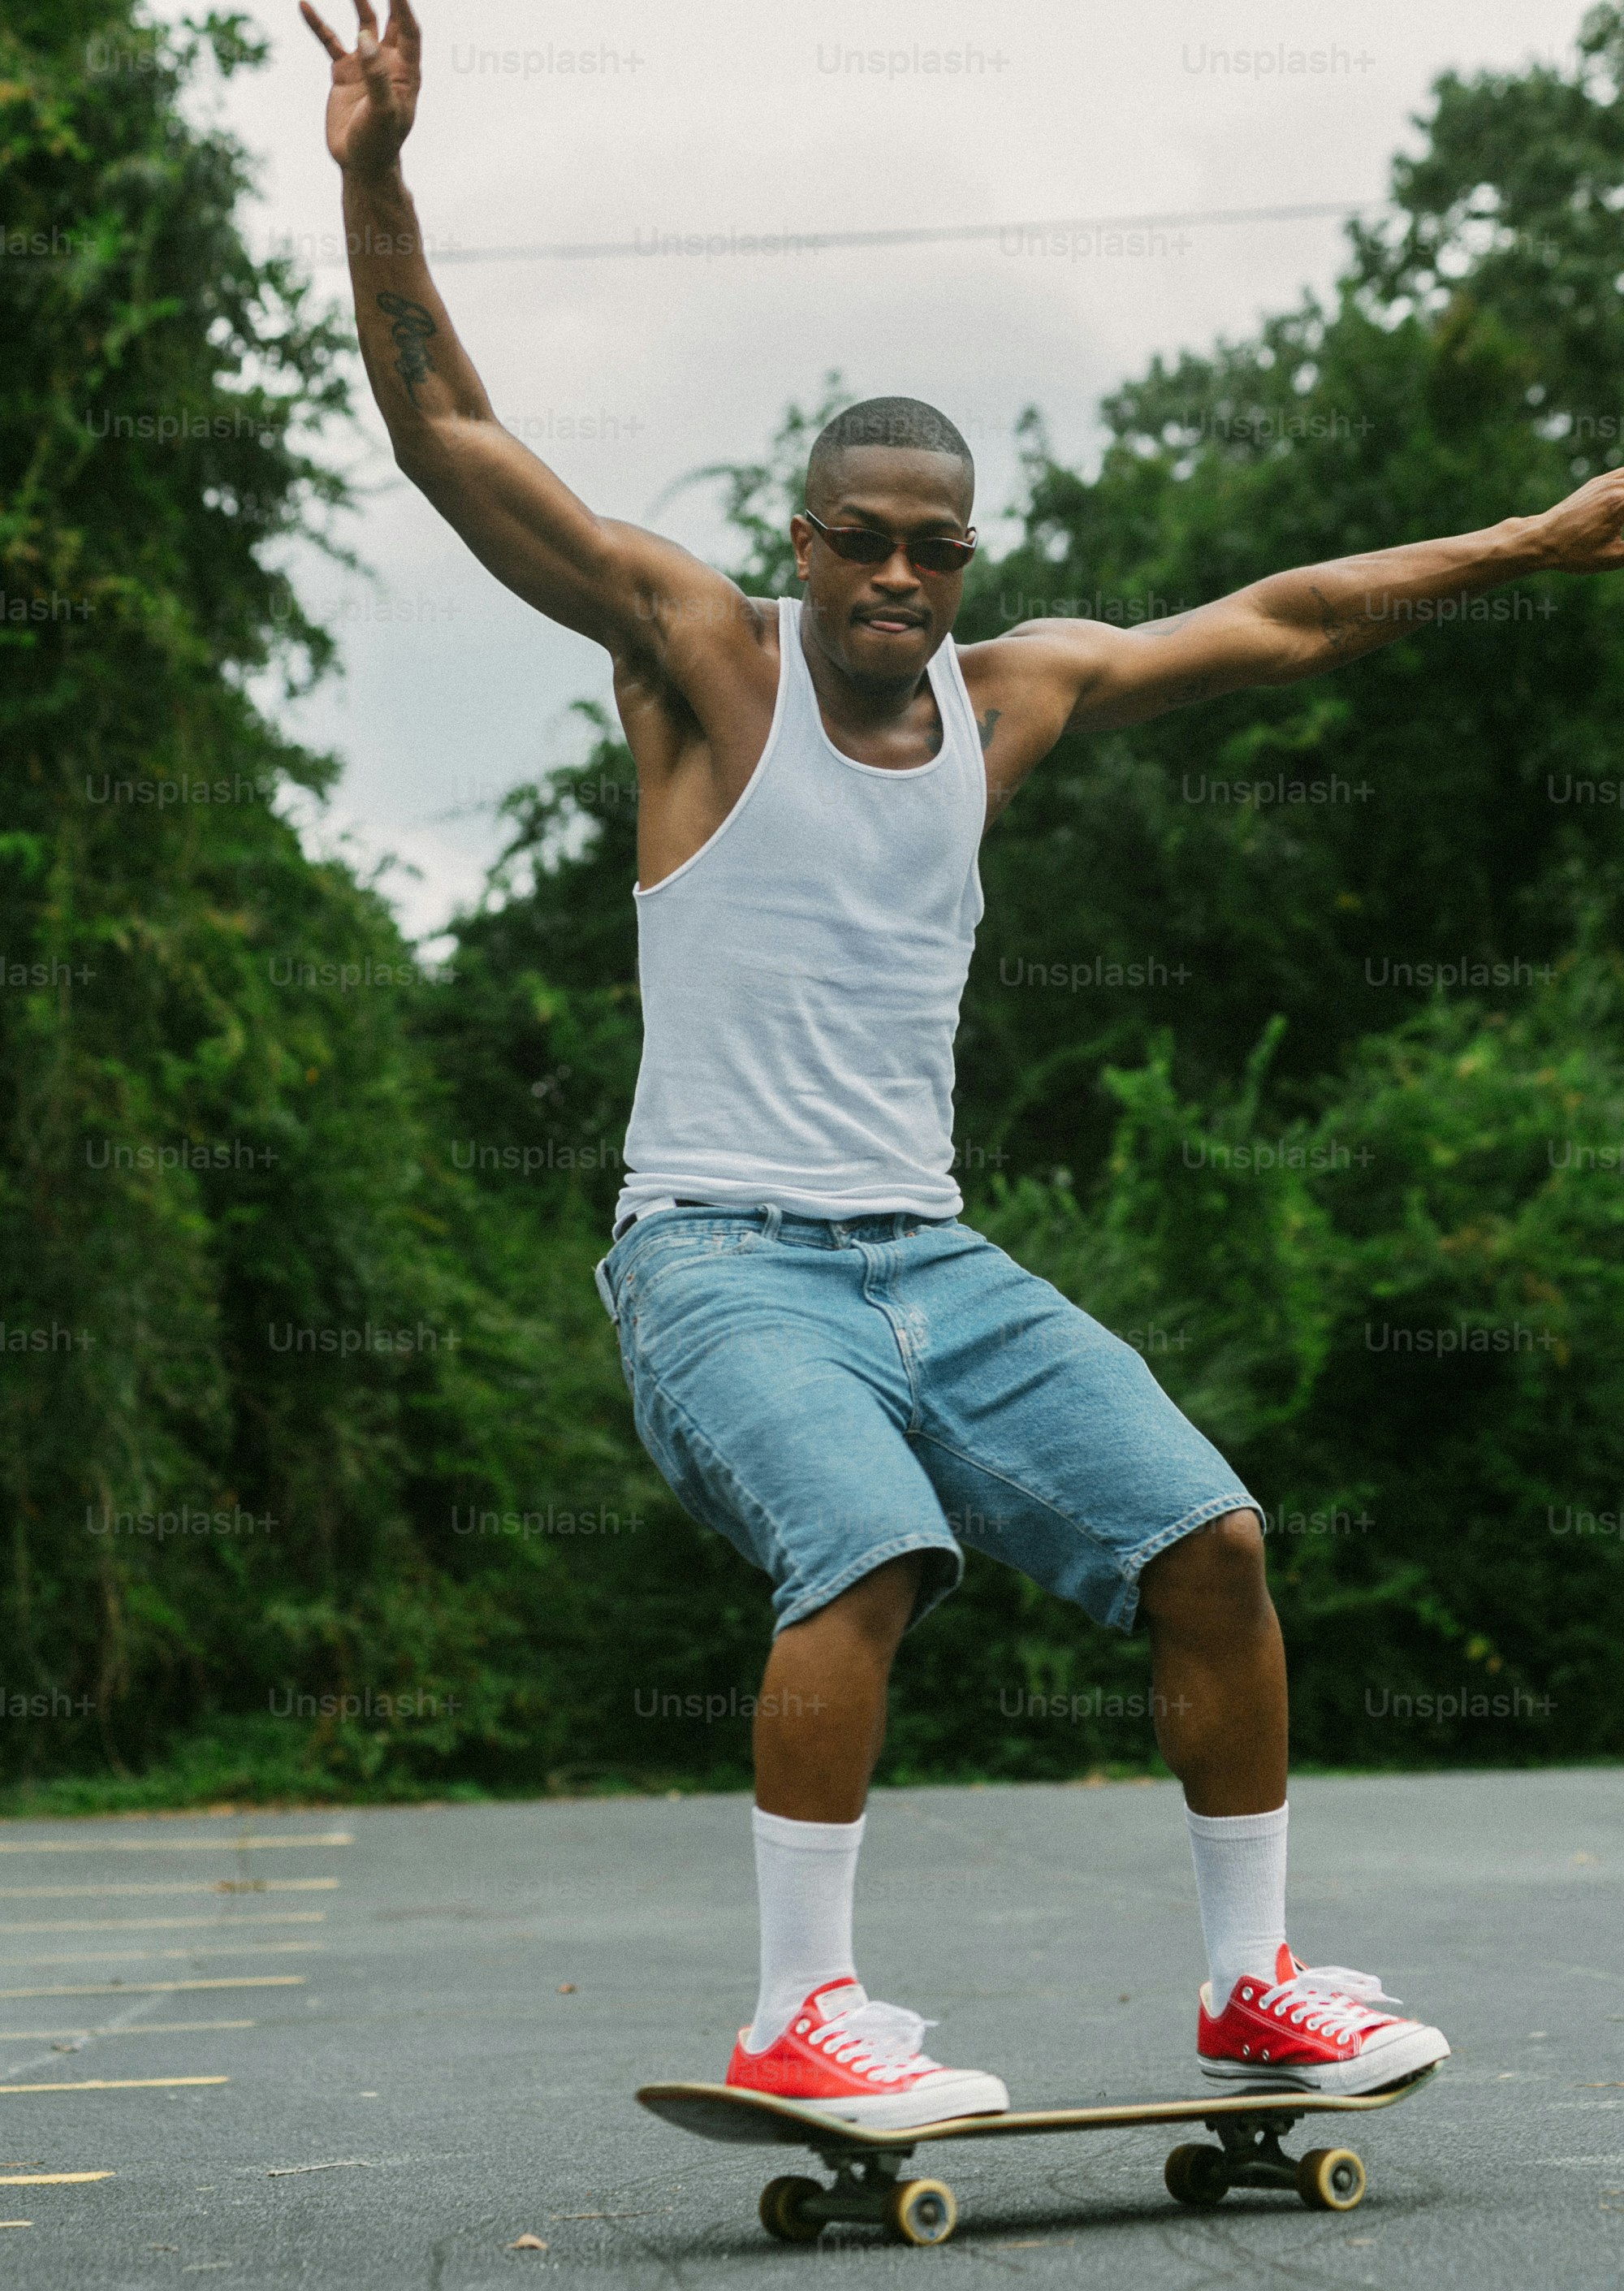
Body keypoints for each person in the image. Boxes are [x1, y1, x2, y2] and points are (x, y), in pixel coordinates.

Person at [304, 0, 1624, 2128]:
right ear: (803, 537)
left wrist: (1539, 541)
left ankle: (1254, 1984)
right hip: (719, 1260)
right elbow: (445, 425)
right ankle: (796, 2013)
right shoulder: (698, 661)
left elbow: (1294, 618)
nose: (900, 577)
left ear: (963, 558)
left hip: (934, 1258)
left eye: (936, 546)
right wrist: (377, 173)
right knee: (870, 1542)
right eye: (864, 539)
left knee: (1213, 1545)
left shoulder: (1017, 700)